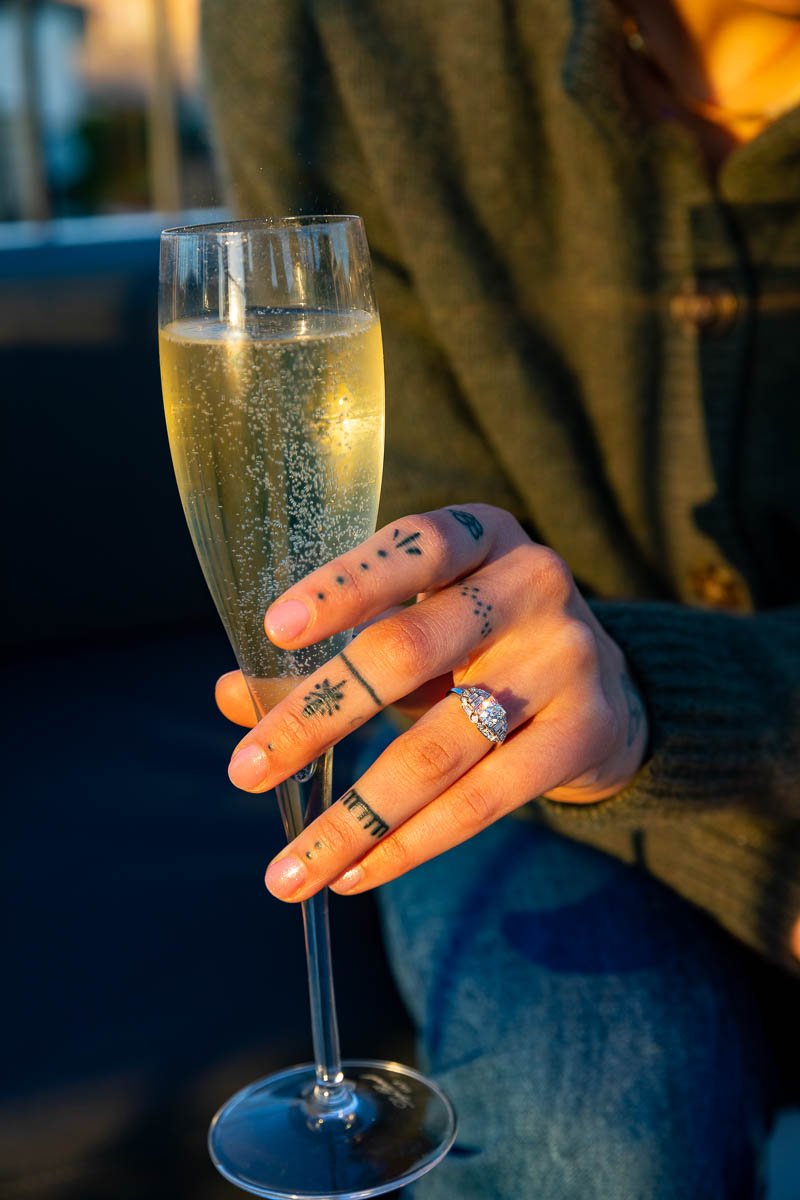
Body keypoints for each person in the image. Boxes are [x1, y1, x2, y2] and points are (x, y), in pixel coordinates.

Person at [201, 0, 800, 1194]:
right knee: (600, 1135)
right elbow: (402, 566)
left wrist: (667, 717)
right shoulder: (324, 30)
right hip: (500, 765)